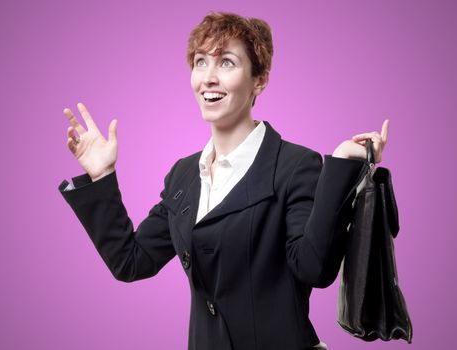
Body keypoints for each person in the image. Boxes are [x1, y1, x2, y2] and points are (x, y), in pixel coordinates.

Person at [59, 11, 389, 350]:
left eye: (227, 63)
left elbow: (314, 268)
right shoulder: (183, 175)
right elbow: (131, 261)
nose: (209, 78)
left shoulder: (295, 165)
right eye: (201, 62)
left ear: (259, 79)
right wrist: (102, 176)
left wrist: (339, 165)